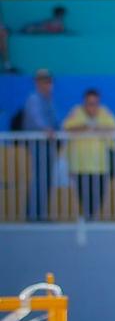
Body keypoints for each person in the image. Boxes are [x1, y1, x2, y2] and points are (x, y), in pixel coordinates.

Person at [61, 88, 115, 221]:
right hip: (80, 165)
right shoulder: (76, 112)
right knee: (84, 194)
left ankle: (93, 217)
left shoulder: (104, 112)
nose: (92, 107)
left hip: (101, 165)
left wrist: (97, 128)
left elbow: (114, 128)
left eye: (95, 103)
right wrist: (86, 127)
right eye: (89, 103)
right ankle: (88, 216)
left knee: (99, 193)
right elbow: (67, 128)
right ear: (84, 102)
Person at [21, 69, 58, 220]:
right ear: (37, 83)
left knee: (46, 179)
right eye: (44, 81)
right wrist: (46, 129)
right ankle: (34, 214)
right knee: (41, 179)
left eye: (49, 81)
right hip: (39, 144)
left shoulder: (48, 100)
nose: (47, 84)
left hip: (47, 145)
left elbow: (55, 122)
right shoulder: (34, 99)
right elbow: (37, 119)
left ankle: (40, 213)